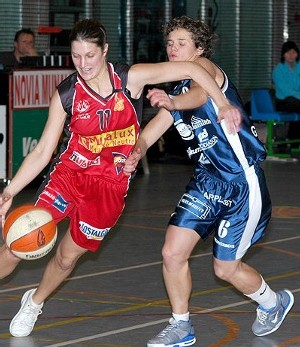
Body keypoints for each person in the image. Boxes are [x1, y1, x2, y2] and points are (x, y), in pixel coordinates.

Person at [0, 18, 241, 338]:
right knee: (19, 242)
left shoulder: (131, 78)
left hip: (108, 190)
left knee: (65, 258)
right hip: (69, 175)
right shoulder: (68, 92)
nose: (83, 64)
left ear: (105, 52)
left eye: (90, 56)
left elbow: (195, 70)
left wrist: (223, 103)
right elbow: (44, 151)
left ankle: (35, 301)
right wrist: (10, 191)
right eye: (76, 56)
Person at [123, 16, 294, 347]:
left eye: (181, 43)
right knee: (172, 252)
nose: (174, 49)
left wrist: (173, 103)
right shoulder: (177, 88)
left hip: (241, 181)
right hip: (206, 182)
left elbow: (199, 96)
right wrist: (137, 149)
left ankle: (274, 303)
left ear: (199, 48)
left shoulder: (205, 69)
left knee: (225, 269)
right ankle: (181, 325)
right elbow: (155, 128)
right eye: (170, 43)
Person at [272, 40, 300, 139]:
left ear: (297, 53)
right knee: (292, 100)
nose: (291, 55)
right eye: (288, 52)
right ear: (283, 54)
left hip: (297, 101)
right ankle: (292, 139)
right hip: (283, 102)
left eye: (293, 52)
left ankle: (293, 140)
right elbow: (286, 91)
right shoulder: (278, 70)